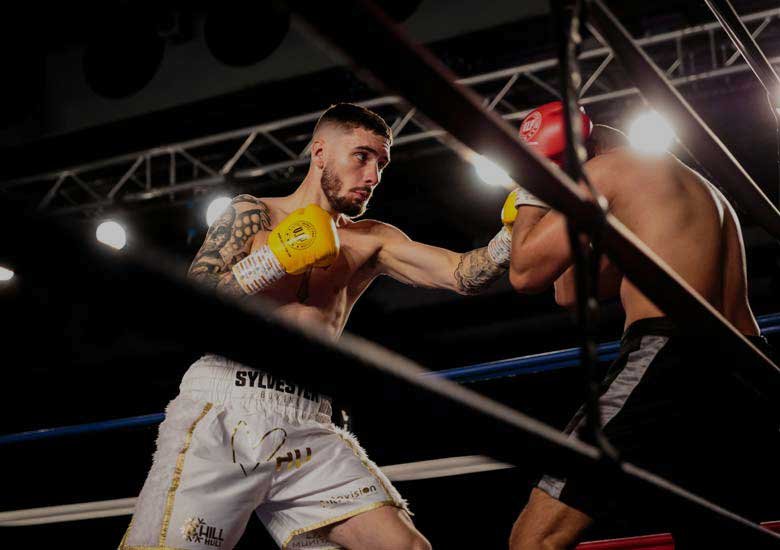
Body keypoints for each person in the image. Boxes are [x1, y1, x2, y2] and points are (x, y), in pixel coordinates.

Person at [120, 103, 513, 550]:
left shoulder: (372, 238)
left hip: (309, 421)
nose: (373, 175)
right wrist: (271, 261)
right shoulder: (254, 214)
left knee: (407, 548)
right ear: (320, 152)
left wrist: (517, 226)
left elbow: (463, 274)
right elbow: (190, 307)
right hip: (226, 406)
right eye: (362, 156)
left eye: (381, 164)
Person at [506, 101, 776, 548]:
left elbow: (525, 274)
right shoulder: (694, 189)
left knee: (535, 540)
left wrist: (531, 186)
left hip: (672, 355)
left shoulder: (606, 171)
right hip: (747, 368)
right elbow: (571, 291)